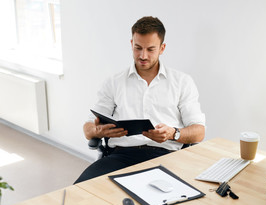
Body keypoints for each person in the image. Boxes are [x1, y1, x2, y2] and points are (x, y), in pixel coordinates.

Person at [74, 16, 205, 184]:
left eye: (150, 49)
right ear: (131, 44)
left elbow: (199, 132)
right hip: (121, 156)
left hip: (165, 156)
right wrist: (99, 131)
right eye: (138, 48)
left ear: (162, 48)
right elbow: (88, 129)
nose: (143, 55)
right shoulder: (114, 82)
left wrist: (173, 133)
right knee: (78, 192)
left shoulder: (182, 82)